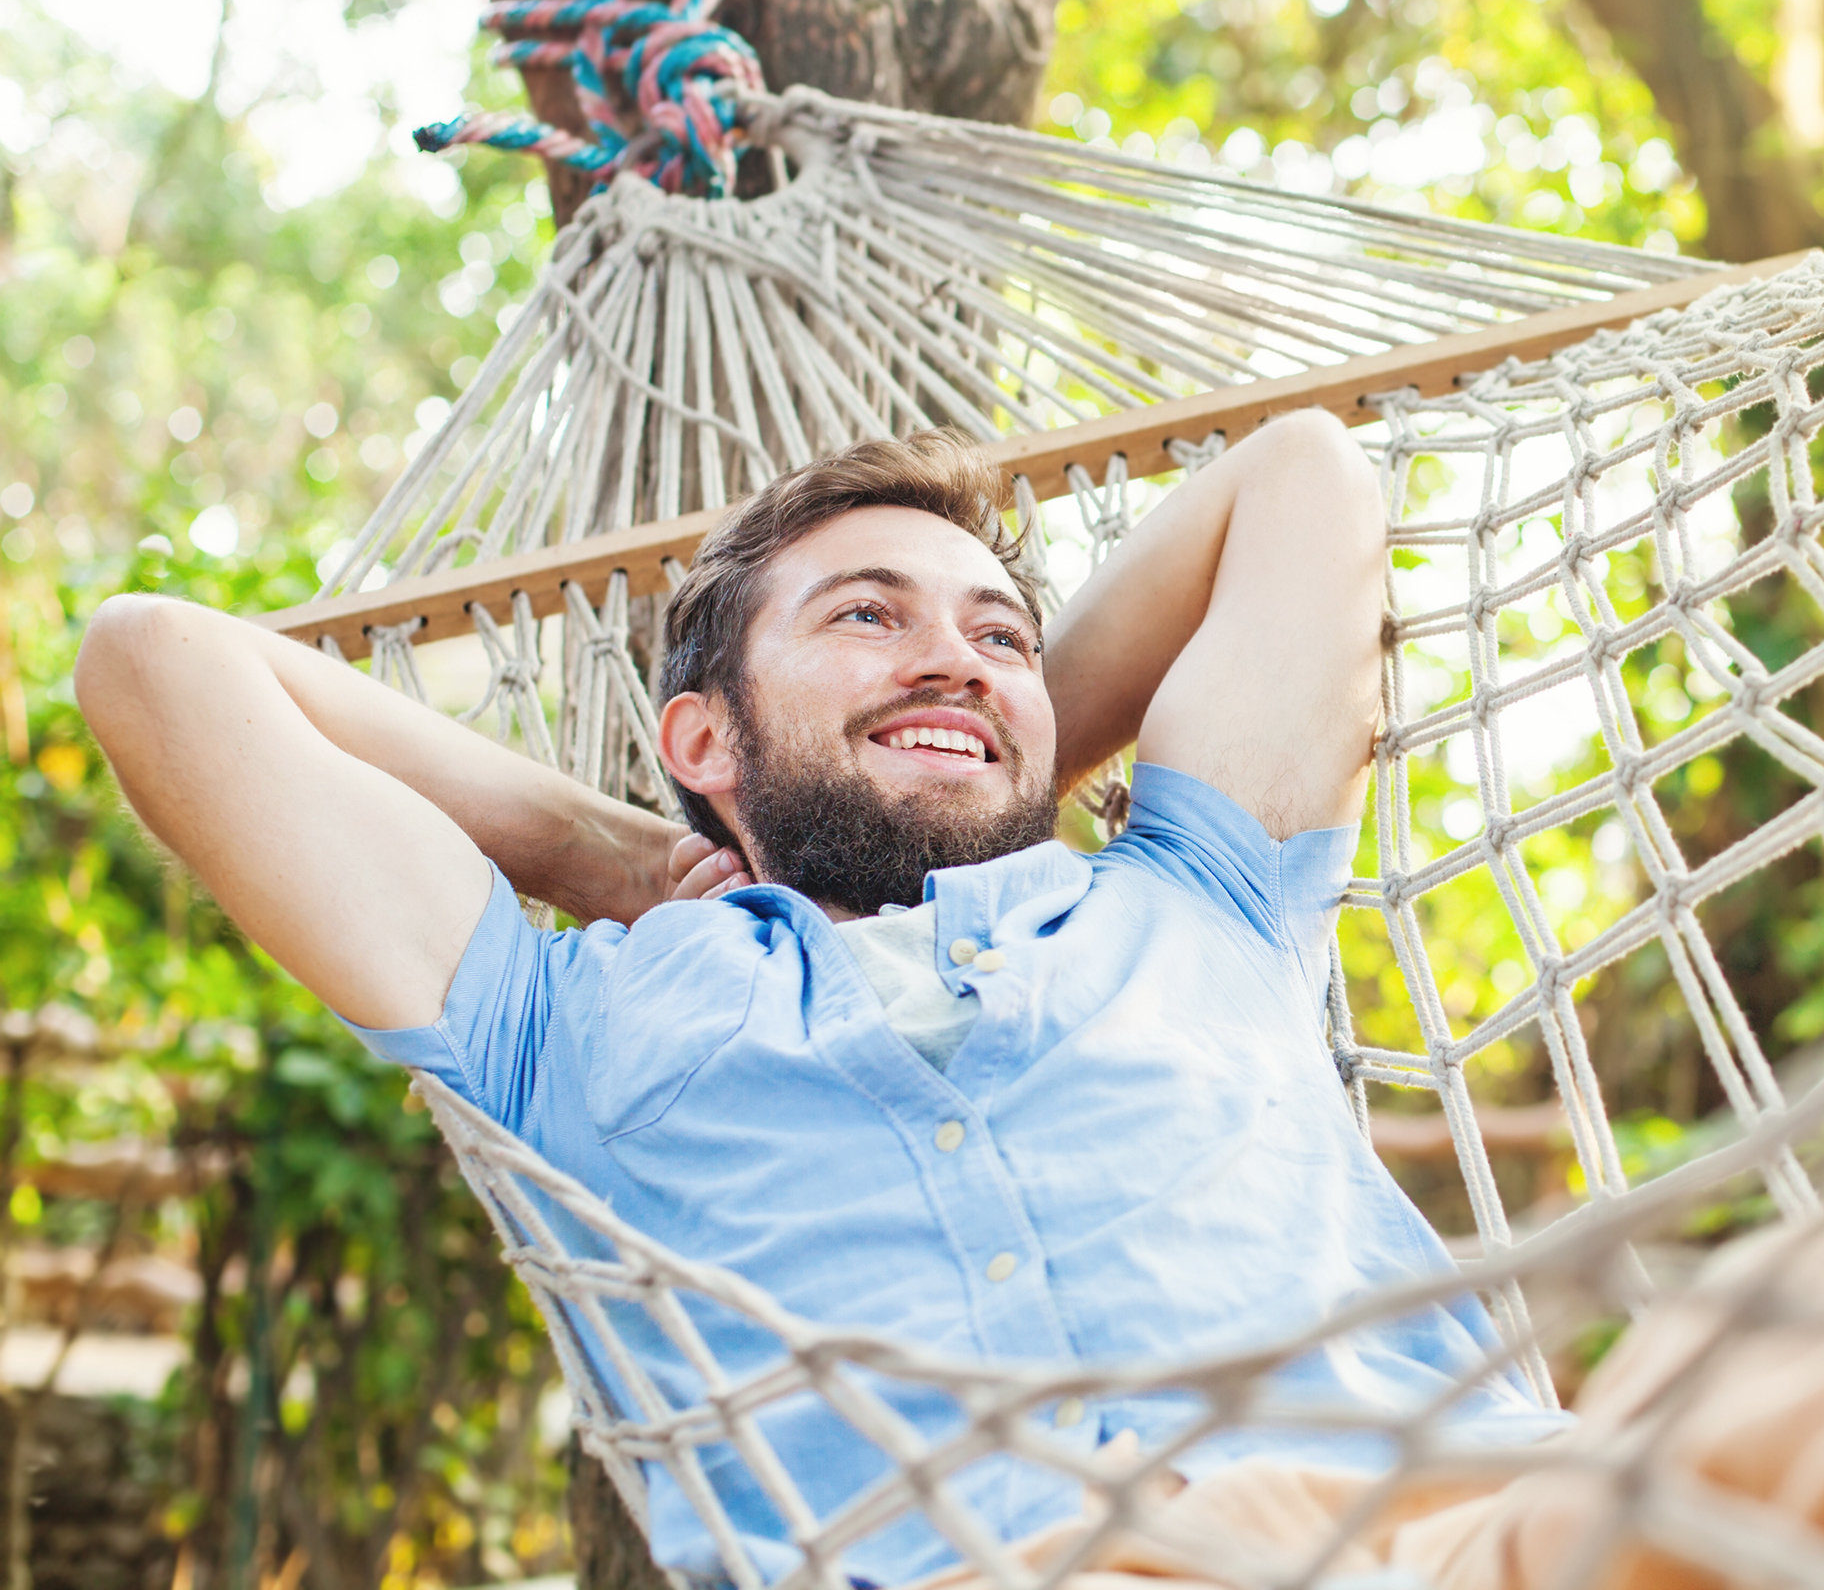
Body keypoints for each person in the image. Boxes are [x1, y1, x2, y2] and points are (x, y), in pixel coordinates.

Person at [77, 416, 1569, 1583]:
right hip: (985, 1570)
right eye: (868, 615)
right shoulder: (559, 1024)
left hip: (1458, 1530)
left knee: (1791, 1349)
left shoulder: (1198, 894)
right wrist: (622, 855)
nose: (956, 653)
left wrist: (971, 728)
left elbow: (1299, 479)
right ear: (702, 736)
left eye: (1002, 635)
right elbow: (156, 663)